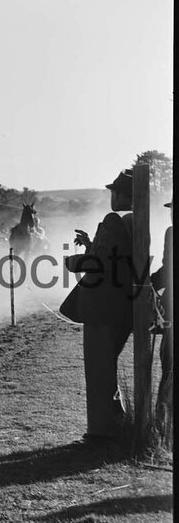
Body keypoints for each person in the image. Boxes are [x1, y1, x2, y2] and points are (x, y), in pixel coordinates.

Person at [60, 169, 136, 441]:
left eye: (114, 192)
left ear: (122, 195)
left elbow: (102, 263)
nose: (111, 196)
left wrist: (74, 262)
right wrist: (92, 244)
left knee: (99, 369)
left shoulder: (113, 220)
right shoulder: (133, 221)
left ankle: (102, 431)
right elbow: (116, 257)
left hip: (103, 307)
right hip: (122, 307)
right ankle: (116, 422)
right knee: (106, 366)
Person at [151, 201, 173, 439]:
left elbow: (168, 269)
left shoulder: (171, 233)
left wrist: (146, 284)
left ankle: (162, 424)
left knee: (169, 365)